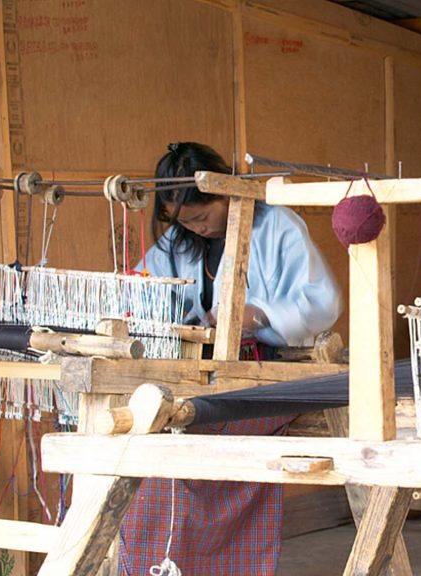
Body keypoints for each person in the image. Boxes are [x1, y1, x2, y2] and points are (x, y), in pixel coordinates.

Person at [120, 142, 342, 575]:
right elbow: (148, 288)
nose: (197, 228)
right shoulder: (179, 241)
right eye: (186, 222)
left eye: (203, 216)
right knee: (142, 441)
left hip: (268, 371)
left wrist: (258, 315)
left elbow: (322, 301)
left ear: (224, 194)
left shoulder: (279, 227)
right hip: (203, 371)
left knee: (181, 437)